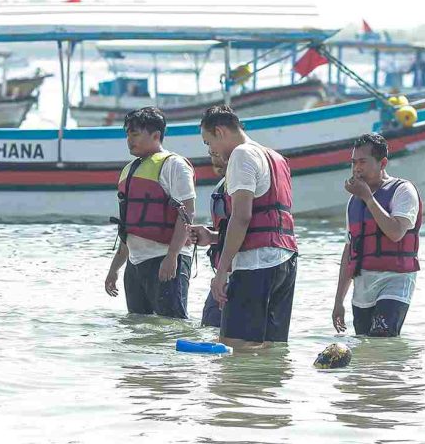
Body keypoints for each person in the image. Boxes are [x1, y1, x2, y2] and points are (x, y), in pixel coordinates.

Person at [190, 105, 298, 350]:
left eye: (208, 143)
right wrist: (216, 238)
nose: (211, 150)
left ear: (219, 131)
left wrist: (221, 272)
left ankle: (238, 390)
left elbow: (241, 217)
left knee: (234, 347)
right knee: (271, 348)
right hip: (286, 261)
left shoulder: (241, 155)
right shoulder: (277, 158)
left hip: (255, 264)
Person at [104, 107, 196, 319]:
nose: (129, 139)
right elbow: (129, 226)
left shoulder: (174, 165)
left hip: (165, 258)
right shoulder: (129, 169)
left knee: (171, 324)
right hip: (135, 264)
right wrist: (115, 268)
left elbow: (187, 213)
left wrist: (172, 256)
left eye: (135, 134)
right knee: (139, 328)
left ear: (156, 135)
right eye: (127, 133)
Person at [331, 133, 422, 337]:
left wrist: (368, 198)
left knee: (382, 340)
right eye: (354, 162)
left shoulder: (403, 191)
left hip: (395, 280)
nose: (357, 168)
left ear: (382, 163)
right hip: (363, 288)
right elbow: (349, 251)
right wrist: (338, 302)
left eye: (363, 162)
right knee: (365, 350)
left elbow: (396, 232)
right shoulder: (354, 202)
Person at [198, 152, 228, 327]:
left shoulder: (246, 187)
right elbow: (230, 233)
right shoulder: (222, 188)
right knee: (209, 329)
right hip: (222, 277)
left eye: (219, 153)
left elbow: (249, 232)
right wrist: (210, 236)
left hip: (242, 275)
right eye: (211, 153)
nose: (215, 159)